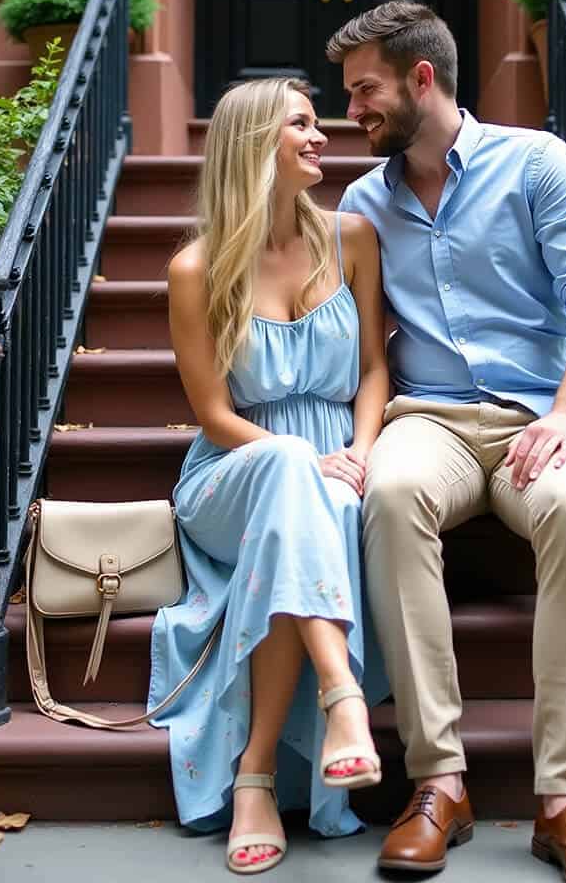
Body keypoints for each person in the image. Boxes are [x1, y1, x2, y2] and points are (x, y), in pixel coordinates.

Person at [328, 0, 566, 883]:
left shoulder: (534, 161)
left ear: (420, 79)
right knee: (388, 496)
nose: (354, 110)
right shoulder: (361, 200)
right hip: (426, 417)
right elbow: (357, 340)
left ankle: (563, 801)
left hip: (540, 414)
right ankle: (439, 783)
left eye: (365, 91)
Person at [147, 77, 389, 875]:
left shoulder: (350, 237)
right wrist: (303, 457)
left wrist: (358, 450)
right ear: (255, 143)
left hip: (334, 465)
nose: (322, 136)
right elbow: (213, 414)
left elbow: (373, 369)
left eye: (319, 122)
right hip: (234, 470)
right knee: (290, 472)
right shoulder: (196, 267)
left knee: (311, 508)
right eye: (302, 124)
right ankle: (339, 691)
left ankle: (254, 777)